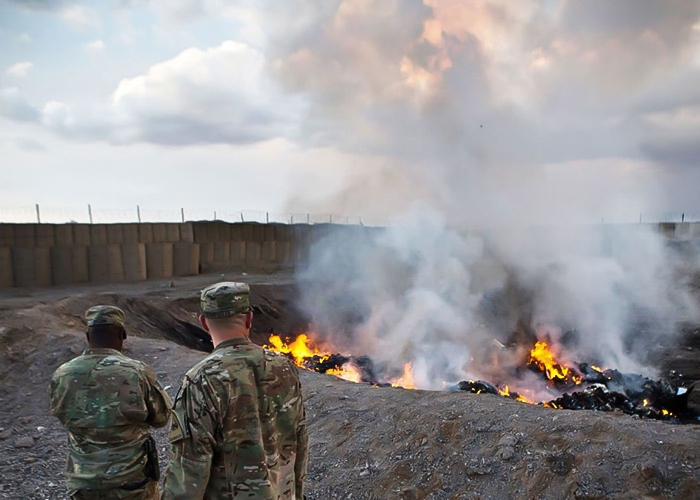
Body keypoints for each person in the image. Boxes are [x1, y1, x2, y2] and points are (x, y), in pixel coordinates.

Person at [162, 282, 308, 499]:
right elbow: (299, 441)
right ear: (249, 319)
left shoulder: (201, 380)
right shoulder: (284, 368)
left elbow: (190, 472)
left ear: (204, 323)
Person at [49, 305, 172, 500]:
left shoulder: (63, 373)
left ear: (88, 336)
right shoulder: (137, 371)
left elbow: (60, 413)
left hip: (83, 480)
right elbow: (162, 417)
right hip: (131, 479)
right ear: (122, 334)